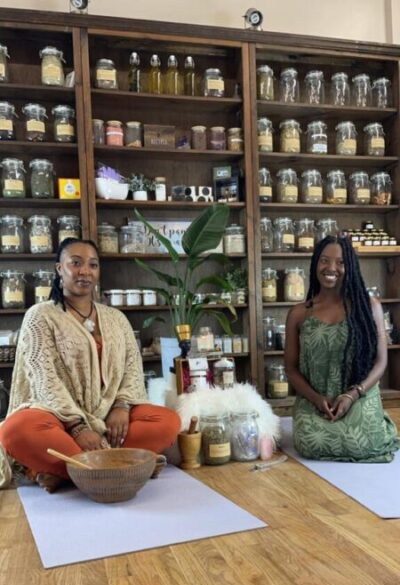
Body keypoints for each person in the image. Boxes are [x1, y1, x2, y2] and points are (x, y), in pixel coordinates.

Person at [0, 238, 181, 491]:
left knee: (168, 421)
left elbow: (132, 367)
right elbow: (43, 378)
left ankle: (66, 471)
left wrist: (121, 405)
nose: (85, 271)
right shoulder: (40, 316)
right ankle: (125, 466)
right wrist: (76, 427)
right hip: (58, 417)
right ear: (59, 269)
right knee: (16, 430)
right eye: (76, 263)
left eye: (93, 265)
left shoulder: (116, 318)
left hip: (109, 419)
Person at [285, 235, 399, 462]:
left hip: (359, 395)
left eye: (341, 262)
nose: (331, 268)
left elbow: (381, 362)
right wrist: (316, 399)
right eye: (324, 260)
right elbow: (291, 369)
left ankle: (377, 424)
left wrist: (352, 393)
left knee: (364, 442)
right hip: (316, 401)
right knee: (309, 443)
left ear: (351, 267)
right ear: (315, 263)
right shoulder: (299, 313)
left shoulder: (369, 307)